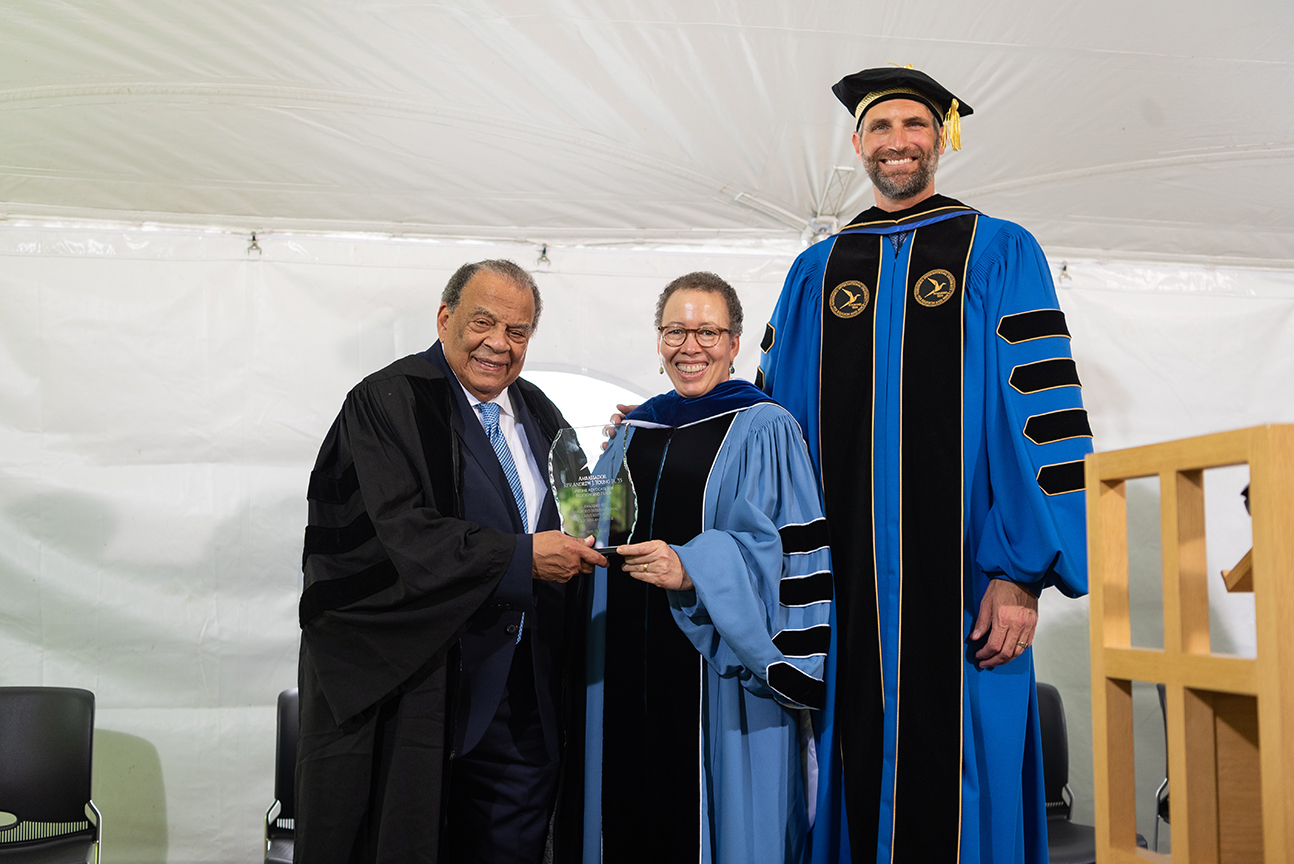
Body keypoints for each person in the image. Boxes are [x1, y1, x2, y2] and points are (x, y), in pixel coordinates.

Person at [756, 68, 1092, 864]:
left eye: (915, 125)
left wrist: (1020, 574)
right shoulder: (817, 270)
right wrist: (679, 426)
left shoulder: (997, 250)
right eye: (882, 127)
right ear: (857, 144)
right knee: (847, 764)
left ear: (941, 139)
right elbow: (771, 422)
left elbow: (1038, 418)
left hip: (968, 588)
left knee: (965, 774)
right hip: (844, 593)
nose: (898, 141)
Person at [294, 259, 606, 864]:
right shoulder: (388, 402)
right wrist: (520, 559)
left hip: (523, 704)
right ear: (445, 319)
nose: (499, 344)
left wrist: (618, 469)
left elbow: (580, 517)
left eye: (517, 331)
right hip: (419, 691)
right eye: (483, 322)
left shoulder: (542, 413)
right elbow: (397, 534)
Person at [579, 272, 832, 864]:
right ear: (658, 339)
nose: (689, 347)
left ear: (735, 342)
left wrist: (693, 568)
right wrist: (583, 496)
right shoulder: (636, 428)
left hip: (717, 672)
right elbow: (603, 526)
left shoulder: (765, 426)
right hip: (624, 661)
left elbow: (781, 552)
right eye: (675, 331)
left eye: (707, 332)